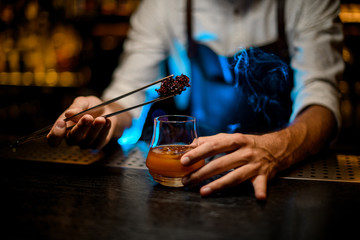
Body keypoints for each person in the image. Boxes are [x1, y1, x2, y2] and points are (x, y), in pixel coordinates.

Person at [47, 0, 344, 200]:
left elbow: (321, 96)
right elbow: (129, 95)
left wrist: (278, 149)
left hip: (283, 170)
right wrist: (104, 116)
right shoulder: (163, 6)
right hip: (195, 171)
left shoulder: (307, 3)